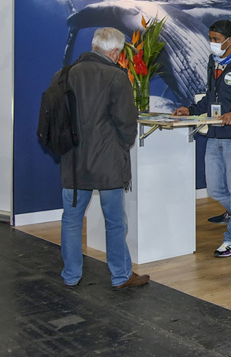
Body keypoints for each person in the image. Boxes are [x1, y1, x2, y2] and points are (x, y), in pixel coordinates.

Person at [58, 27, 148, 289]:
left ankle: (71, 276)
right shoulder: (117, 77)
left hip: (73, 162)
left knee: (71, 221)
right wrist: (122, 146)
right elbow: (127, 123)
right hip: (108, 162)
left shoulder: (66, 74)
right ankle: (121, 276)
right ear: (115, 52)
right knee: (115, 222)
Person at [173, 19, 231, 258]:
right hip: (214, 135)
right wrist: (191, 109)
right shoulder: (213, 62)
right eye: (210, 38)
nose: (211, 43)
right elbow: (210, 98)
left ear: (229, 40)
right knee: (214, 189)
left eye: (216, 39)